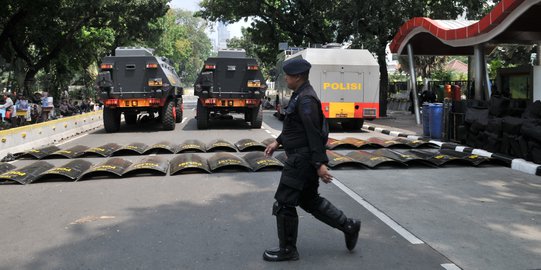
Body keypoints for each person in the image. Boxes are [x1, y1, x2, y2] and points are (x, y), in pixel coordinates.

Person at [262, 59, 361, 262]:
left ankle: (288, 250)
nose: (286, 78)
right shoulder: (300, 95)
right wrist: (278, 142)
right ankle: (348, 225)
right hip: (302, 157)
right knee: (309, 200)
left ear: (297, 76)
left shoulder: (306, 99)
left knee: (284, 203)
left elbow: (313, 133)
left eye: (288, 75)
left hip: (301, 159)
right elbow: (295, 128)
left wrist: (319, 163)